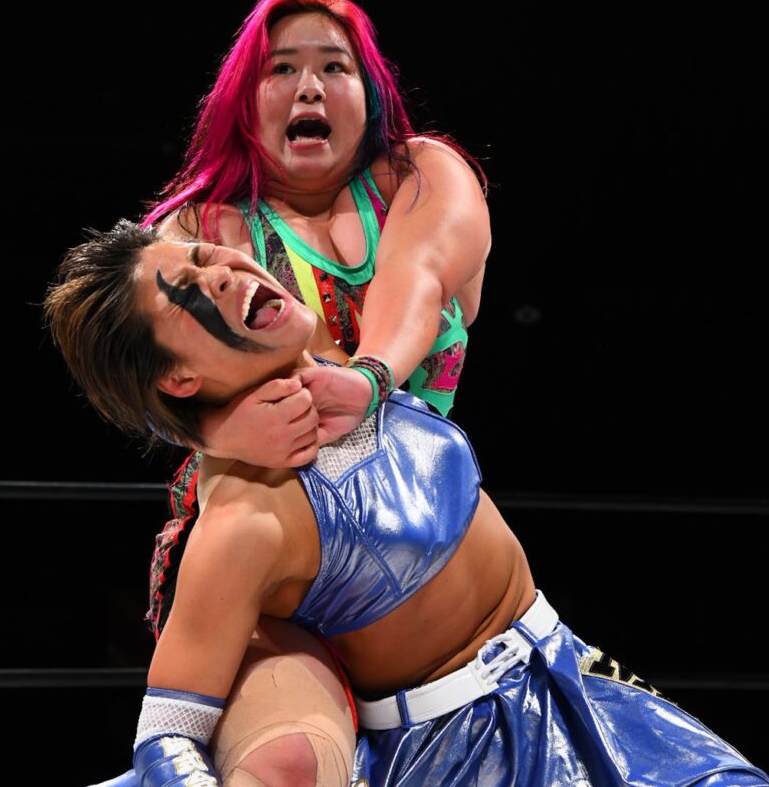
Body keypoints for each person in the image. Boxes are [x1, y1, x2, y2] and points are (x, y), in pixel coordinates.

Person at [45, 222, 769, 787]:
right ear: (177, 377)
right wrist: (210, 436)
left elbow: (428, 264)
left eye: (207, 254)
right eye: (188, 289)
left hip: (571, 671)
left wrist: (214, 423)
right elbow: (168, 729)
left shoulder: (330, 350)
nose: (225, 270)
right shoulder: (246, 518)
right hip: (463, 750)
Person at [141, 0, 491, 465]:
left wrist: (368, 379)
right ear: (244, 101)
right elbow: (138, 374)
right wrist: (217, 434)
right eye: (282, 69)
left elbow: (417, 275)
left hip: (417, 498)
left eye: (335, 67)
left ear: (370, 96)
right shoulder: (203, 234)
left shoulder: (420, 175)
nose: (310, 87)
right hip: (265, 501)